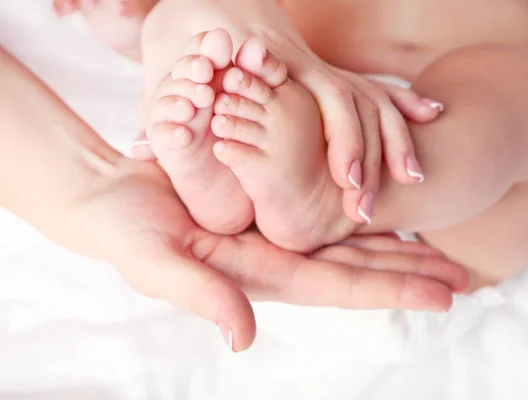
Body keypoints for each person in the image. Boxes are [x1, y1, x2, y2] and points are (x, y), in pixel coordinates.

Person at [62, 0, 528, 290]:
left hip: (456, 197)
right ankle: (223, 172)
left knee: (523, 86)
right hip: (292, 122)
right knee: (194, 22)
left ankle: (337, 194)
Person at [0, 37, 468, 354]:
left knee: (508, 88)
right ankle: (304, 196)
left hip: (374, 219)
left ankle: (281, 193)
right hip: (322, 162)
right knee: (507, 82)